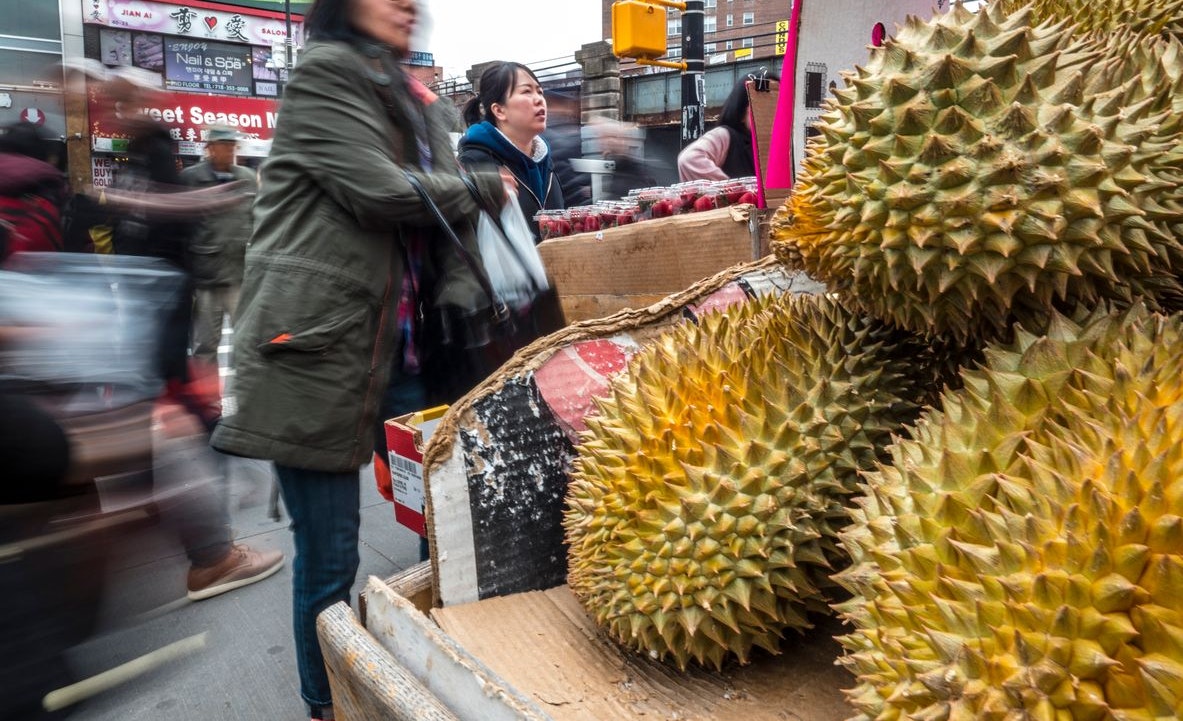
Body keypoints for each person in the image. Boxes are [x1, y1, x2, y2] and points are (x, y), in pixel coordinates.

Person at [208, 0, 510, 718]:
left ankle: (441, 657)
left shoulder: (409, 97)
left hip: (404, 351)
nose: (405, 4)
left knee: (451, 516)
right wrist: (480, 184)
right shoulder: (323, 76)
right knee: (330, 552)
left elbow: (442, 229)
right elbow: (378, 192)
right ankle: (326, 701)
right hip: (310, 348)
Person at [459, 61, 565, 242]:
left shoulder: (546, 164)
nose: (539, 99)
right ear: (499, 110)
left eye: (539, 91)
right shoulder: (475, 165)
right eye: (526, 91)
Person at [180, 124, 258, 367]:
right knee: (205, 345)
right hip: (206, 277)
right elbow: (182, 226)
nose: (229, 150)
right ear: (210, 149)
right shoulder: (191, 178)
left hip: (239, 273)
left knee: (247, 342)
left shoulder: (246, 178)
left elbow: (257, 218)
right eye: (223, 145)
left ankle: (246, 398)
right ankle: (208, 404)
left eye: (232, 145)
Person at [677, 73, 778, 181]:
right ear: (741, 112)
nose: (772, 112)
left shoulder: (783, 146)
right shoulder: (725, 137)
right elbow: (690, 159)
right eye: (763, 105)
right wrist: (734, 191)